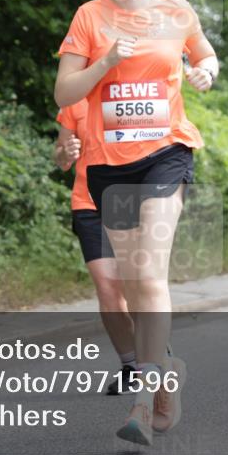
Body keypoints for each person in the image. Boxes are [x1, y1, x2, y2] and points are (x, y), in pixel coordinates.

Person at [54, 0, 218, 445]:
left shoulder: (177, 13)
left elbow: (205, 54)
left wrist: (205, 72)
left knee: (149, 276)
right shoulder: (90, 16)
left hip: (167, 153)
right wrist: (105, 60)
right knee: (131, 285)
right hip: (107, 166)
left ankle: (142, 405)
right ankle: (167, 377)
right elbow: (64, 93)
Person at [55, 100, 138, 395]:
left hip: (128, 200)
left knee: (136, 286)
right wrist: (66, 153)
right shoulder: (74, 103)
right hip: (88, 203)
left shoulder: (127, 95)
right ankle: (131, 365)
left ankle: (154, 353)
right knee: (107, 286)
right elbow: (61, 158)